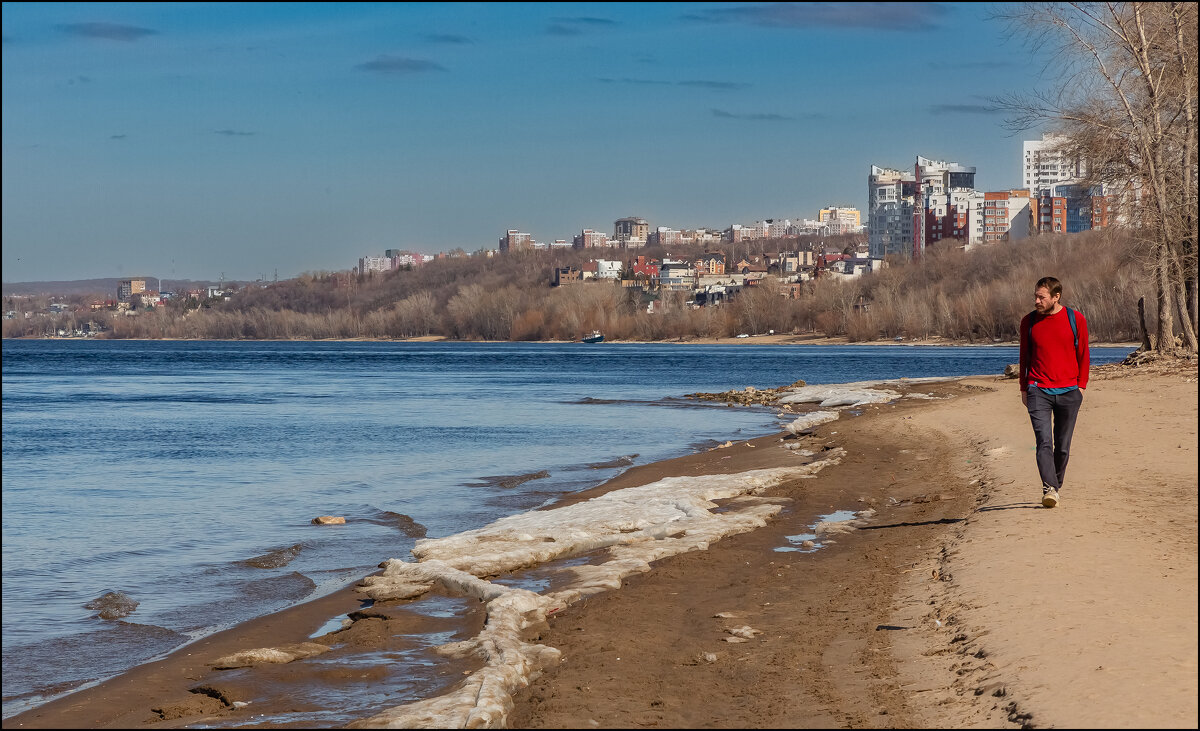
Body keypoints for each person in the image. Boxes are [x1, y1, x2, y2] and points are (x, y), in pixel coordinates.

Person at [1019, 276, 1090, 508]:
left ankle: (1055, 485)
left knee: (1063, 447)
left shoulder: (1075, 319)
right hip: (1038, 390)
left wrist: (1081, 386)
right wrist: (1024, 388)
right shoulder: (1028, 322)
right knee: (1044, 442)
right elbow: (1024, 357)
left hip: (1069, 392)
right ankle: (1049, 488)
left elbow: (1084, 355)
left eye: (1042, 297)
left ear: (1056, 297)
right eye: (1035, 296)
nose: (1036, 301)